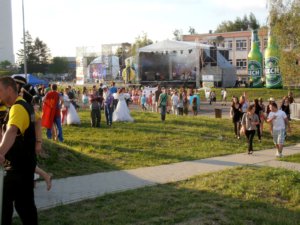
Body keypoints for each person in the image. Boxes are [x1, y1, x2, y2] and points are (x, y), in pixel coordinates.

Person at [0, 77, 38, 225]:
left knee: (6, 205)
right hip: (24, 167)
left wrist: (1, 152)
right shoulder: (22, 106)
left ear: (10, 90)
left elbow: (11, 131)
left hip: (18, 169)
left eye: (0, 91)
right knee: (24, 206)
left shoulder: (18, 108)